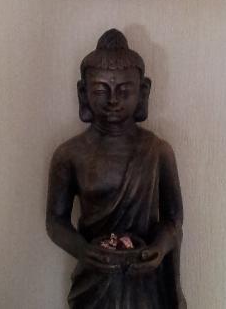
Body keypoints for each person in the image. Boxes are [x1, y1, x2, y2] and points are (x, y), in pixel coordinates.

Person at [46, 29, 186, 308]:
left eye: (124, 90)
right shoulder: (69, 154)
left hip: (145, 279)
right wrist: (84, 251)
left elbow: (173, 219)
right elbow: (55, 221)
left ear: (143, 91)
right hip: (95, 279)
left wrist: (158, 250)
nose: (112, 100)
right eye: (101, 90)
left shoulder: (158, 151)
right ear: (83, 92)